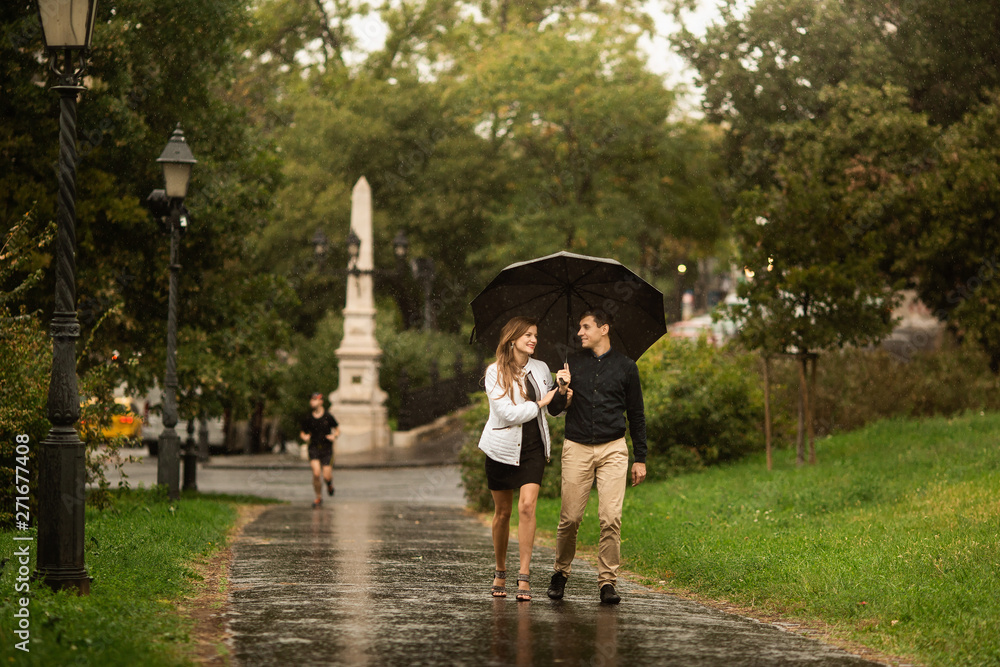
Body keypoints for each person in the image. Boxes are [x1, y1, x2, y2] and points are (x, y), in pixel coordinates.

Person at [546, 309, 647, 604]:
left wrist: (640, 457)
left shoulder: (627, 367)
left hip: (613, 449)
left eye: (586, 327)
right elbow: (553, 410)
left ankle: (607, 582)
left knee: (610, 518)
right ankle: (560, 573)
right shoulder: (571, 365)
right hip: (576, 447)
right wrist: (562, 389)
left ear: (604, 329)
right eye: (579, 327)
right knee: (570, 518)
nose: (580, 333)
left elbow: (637, 414)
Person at [478, 316, 569, 601]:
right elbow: (508, 413)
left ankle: (524, 575)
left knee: (527, 507)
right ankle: (500, 570)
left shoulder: (541, 368)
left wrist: (562, 392)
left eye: (535, 336)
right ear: (512, 339)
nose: (533, 340)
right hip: (501, 448)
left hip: (533, 448)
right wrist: (540, 402)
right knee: (503, 513)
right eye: (528, 335)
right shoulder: (495, 372)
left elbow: (554, 412)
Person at [299, 392, 340, 509]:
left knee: (327, 475)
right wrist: (304, 437)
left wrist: (334, 436)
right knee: (316, 473)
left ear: (321, 401)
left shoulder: (328, 416)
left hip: (327, 449)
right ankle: (318, 497)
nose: (312, 402)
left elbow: (337, 429)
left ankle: (329, 484)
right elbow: (302, 432)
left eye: (315, 400)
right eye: (311, 400)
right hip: (314, 448)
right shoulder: (308, 418)